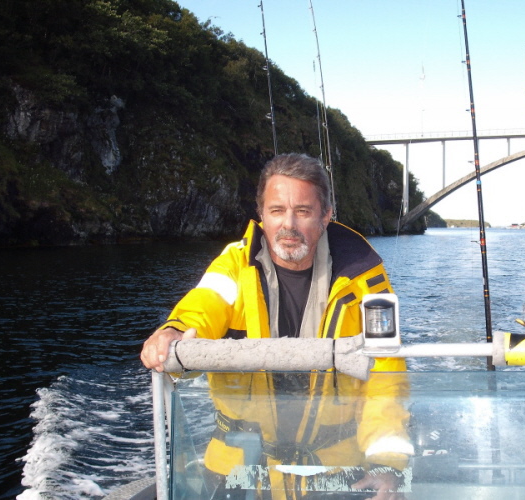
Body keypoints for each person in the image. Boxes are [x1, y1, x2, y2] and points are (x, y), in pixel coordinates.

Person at [141, 153, 411, 500]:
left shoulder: (366, 279)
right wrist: (174, 331)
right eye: (277, 210)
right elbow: (204, 304)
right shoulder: (234, 265)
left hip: (334, 472)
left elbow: (385, 377)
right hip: (239, 469)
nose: (289, 225)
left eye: (303, 211)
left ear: (325, 216)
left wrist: (387, 464)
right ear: (261, 215)